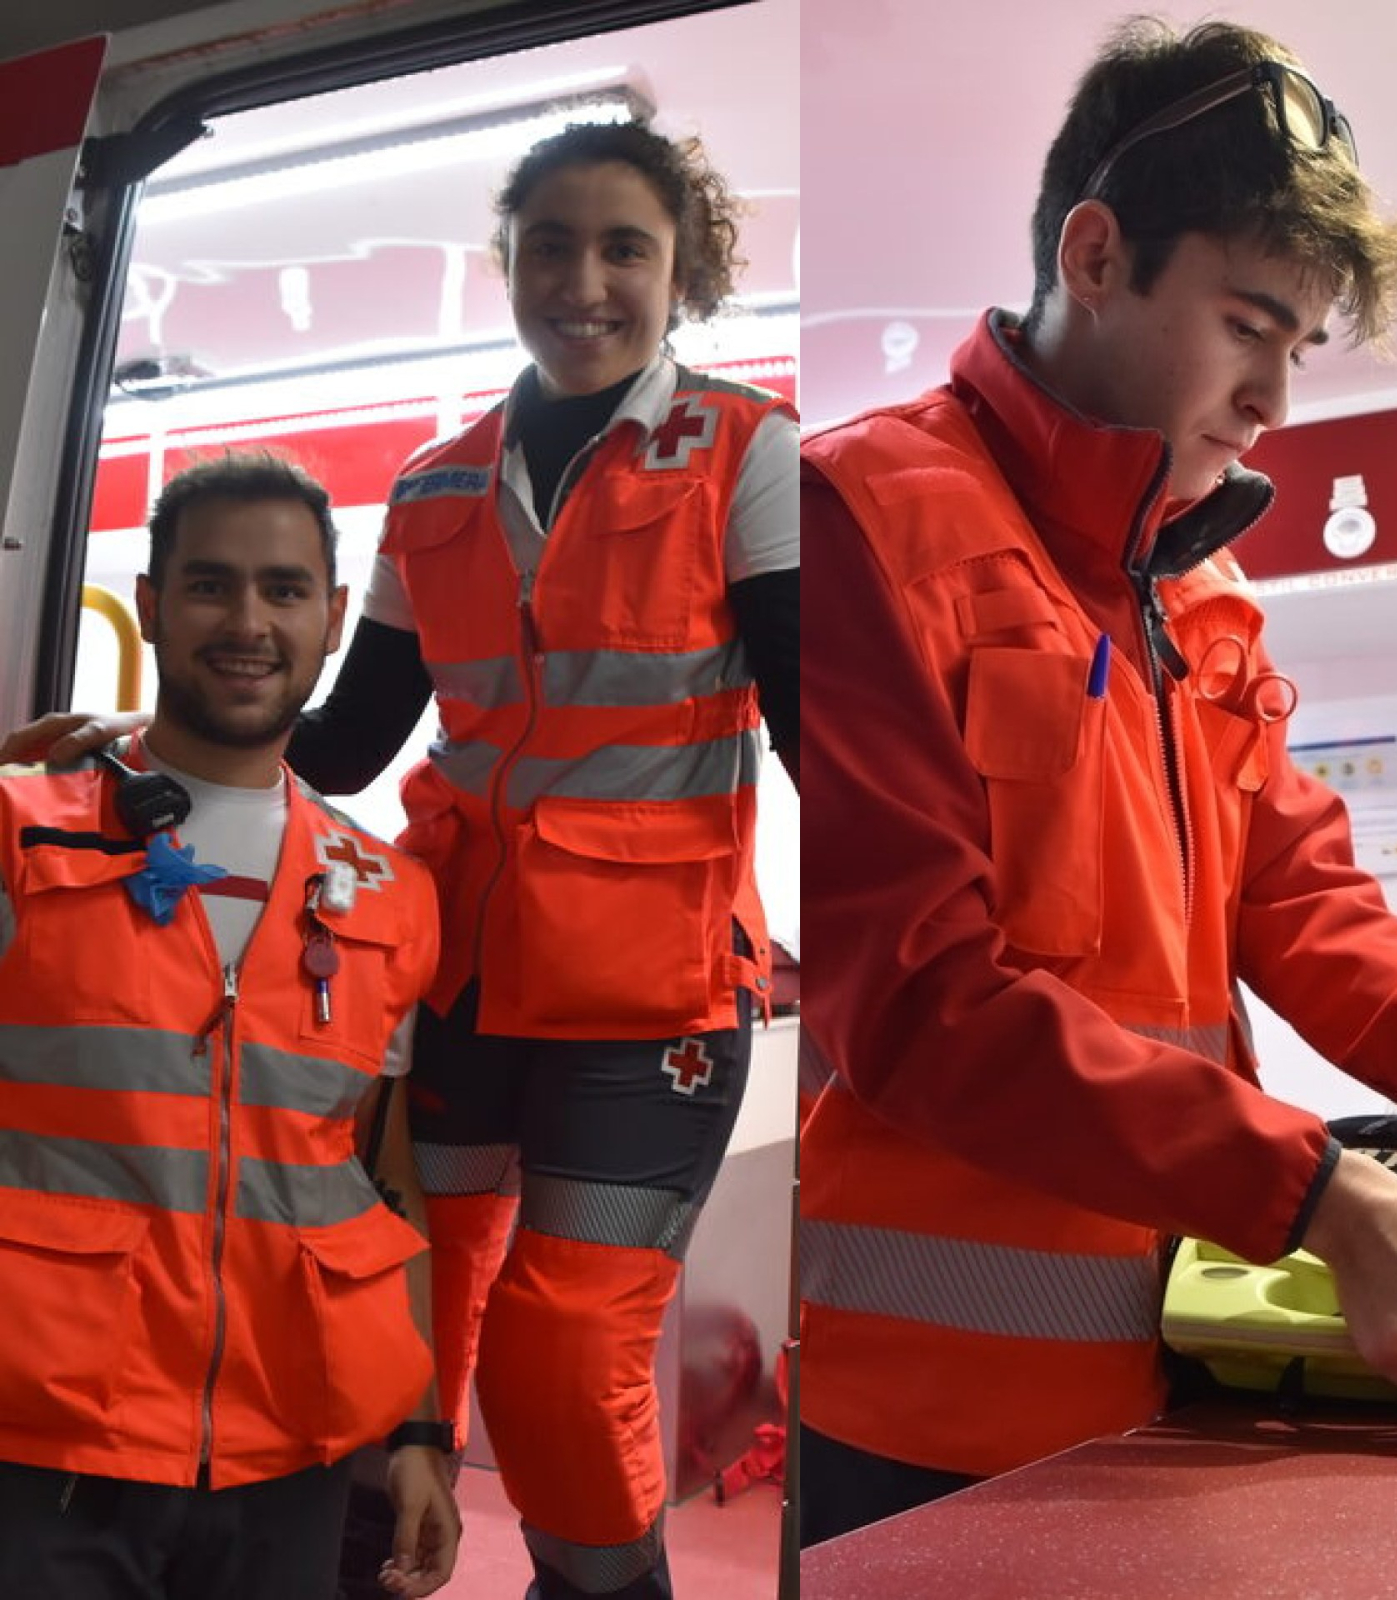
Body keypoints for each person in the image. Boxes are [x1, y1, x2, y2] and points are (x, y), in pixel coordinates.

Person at [797, 14, 1397, 1545]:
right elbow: (915, 998)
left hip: (1185, 1363)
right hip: (926, 1429)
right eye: (1249, 325)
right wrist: (1322, 1200)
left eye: (1299, 344)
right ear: (1096, 255)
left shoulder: (1197, 588)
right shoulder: (860, 517)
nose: (1277, 400)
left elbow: (1303, 899)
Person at [6, 117, 799, 1600]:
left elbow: (824, 721)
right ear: (505, 263)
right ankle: (356, 1570)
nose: (584, 278)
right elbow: (347, 738)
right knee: (387, 1304)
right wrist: (145, 738)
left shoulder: (751, 455)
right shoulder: (435, 489)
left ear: (681, 270)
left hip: (653, 996)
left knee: (567, 1348)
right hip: (460, 966)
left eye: (624, 246)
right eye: (548, 244)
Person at [0, 454, 459, 1598]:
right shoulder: (20, 836)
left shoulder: (389, 894)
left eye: (285, 590)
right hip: (44, 1449)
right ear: (151, 605)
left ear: (335, 620)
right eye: (209, 586)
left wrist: (417, 1429)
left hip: (284, 1454)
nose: (247, 622)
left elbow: (375, 1174)